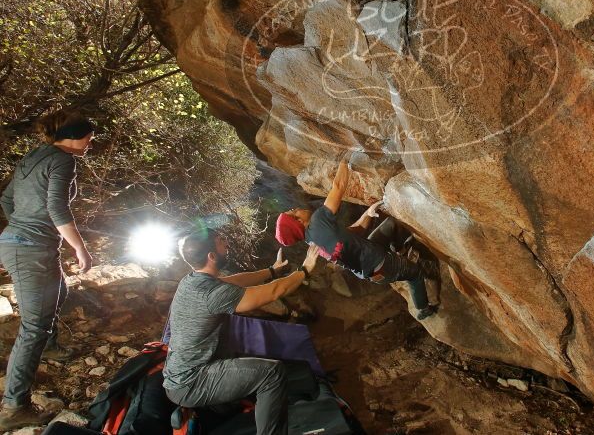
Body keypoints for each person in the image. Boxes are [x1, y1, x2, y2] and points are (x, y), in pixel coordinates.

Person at [163, 228, 319, 435]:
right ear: (211, 256)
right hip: (193, 381)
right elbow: (274, 291)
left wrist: (272, 271)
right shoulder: (213, 294)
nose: (226, 244)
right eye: (221, 242)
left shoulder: (191, 281)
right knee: (272, 373)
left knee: (247, 362)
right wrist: (305, 270)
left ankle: (228, 407)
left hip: (181, 376)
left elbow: (236, 280)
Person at [0, 111, 95, 430]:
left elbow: (7, 199)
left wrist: (21, 226)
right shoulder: (64, 160)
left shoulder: (34, 156)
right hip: (30, 247)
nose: (90, 143)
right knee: (33, 326)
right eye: (88, 138)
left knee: (60, 290)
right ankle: (14, 406)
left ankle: (51, 348)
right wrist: (79, 247)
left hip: (17, 241)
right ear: (73, 137)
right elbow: (57, 206)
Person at [275, 159, 439, 320]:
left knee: (391, 224)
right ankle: (423, 309)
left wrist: (368, 213)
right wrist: (344, 159)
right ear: (298, 223)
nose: (296, 208)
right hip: (383, 264)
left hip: (370, 259)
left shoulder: (313, 240)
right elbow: (338, 186)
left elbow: (352, 233)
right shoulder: (318, 221)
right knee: (415, 275)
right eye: (293, 211)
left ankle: (400, 251)